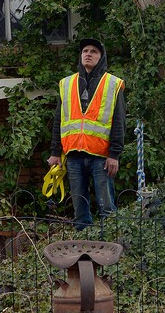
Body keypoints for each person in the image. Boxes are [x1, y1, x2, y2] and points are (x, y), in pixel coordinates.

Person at [47, 37, 125, 228]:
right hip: (73, 155)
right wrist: (55, 152)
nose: (88, 54)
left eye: (93, 51)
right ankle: (83, 246)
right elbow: (59, 120)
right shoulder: (67, 84)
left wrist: (114, 154)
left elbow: (119, 122)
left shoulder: (113, 84)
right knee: (79, 212)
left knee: (107, 208)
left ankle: (110, 249)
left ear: (101, 57)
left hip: (101, 156)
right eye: (85, 51)